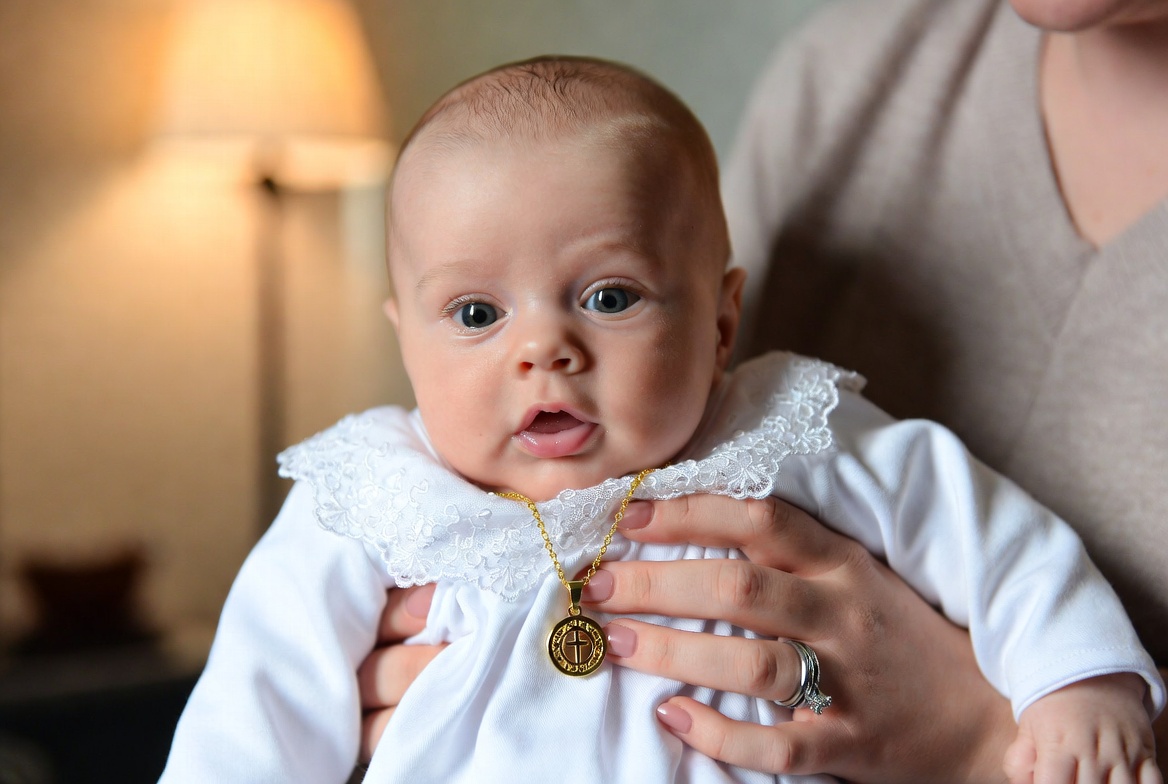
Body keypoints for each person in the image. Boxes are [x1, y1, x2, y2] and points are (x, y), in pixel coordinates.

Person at [159, 57, 1162, 783]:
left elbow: (991, 539)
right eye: (475, 314)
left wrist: (1078, 681)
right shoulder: (377, 491)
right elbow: (258, 697)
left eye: (609, 297)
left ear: (722, 320)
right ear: (404, 337)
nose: (542, 349)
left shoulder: (781, 428)